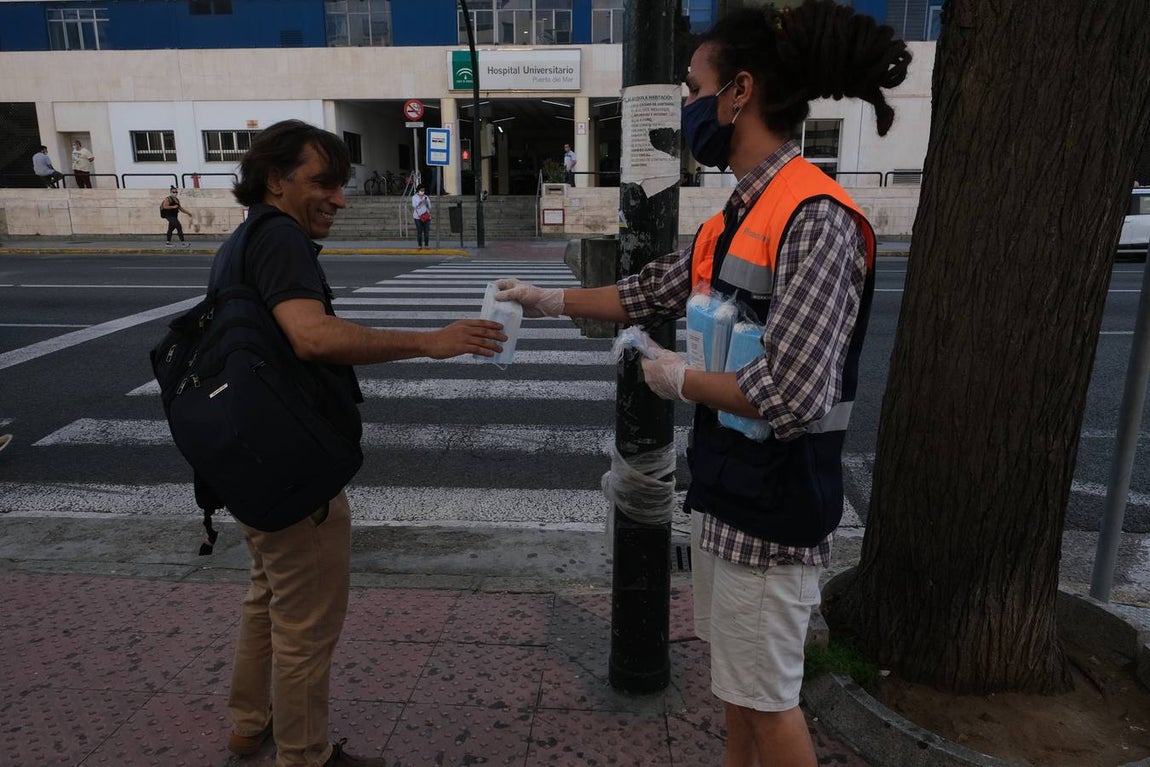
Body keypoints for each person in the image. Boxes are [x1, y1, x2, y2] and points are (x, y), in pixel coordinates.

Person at [495, 3, 909, 765]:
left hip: (776, 513)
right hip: (726, 498)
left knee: (770, 707)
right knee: (740, 697)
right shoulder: (731, 217)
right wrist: (545, 299)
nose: (688, 104)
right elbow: (645, 291)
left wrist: (678, 378)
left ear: (739, 92)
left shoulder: (815, 217)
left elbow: (793, 393)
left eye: (694, 85)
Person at [221, 119, 505, 767]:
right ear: (275, 181)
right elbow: (311, 336)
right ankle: (305, 754)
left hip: (248, 458)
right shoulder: (282, 239)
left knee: (267, 597)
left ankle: (248, 723)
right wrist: (430, 341)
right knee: (304, 626)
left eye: (343, 185)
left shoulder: (242, 242)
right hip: (294, 470)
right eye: (323, 182)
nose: (340, 199)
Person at [411, 182, 431, 249]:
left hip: (426, 216)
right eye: (421, 190)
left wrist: (426, 203)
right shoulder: (414, 197)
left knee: (426, 231)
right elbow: (414, 206)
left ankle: (426, 245)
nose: (422, 192)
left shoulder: (426, 197)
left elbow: (430, 207)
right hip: (417, 217)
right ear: (418, 190)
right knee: (419, 231)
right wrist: (420, 203)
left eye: (423, 190)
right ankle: (419, 245)